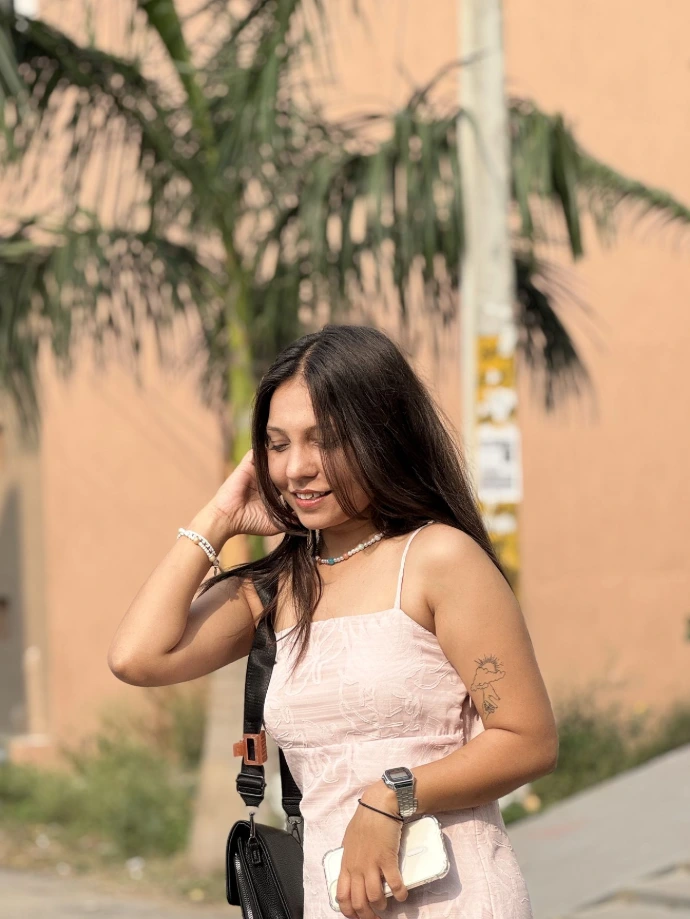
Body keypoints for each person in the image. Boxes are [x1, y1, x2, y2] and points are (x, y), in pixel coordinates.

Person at [109, 324, 558, 919]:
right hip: (333, 902)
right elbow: (137, 657)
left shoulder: (439, 559)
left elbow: (528, 740)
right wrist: (219, 516)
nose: (296, 468)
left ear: (383, 435)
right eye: (277, 445)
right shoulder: (275, 589)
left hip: (452, 898)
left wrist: (390, 797)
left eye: (323, 441)